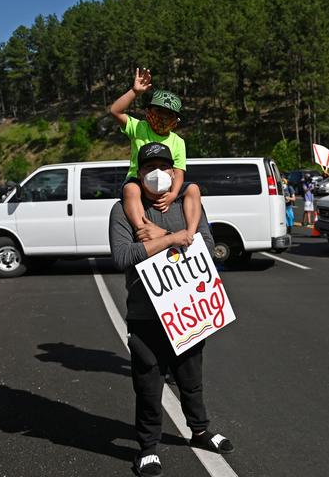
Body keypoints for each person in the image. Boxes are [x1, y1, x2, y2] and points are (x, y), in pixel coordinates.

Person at [109, 142, 234, 477]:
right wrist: (169, 242)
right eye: (150, 168)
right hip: (145, 315)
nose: (158, 174)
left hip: (187, 310)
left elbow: (207, 245)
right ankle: (148, 448)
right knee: (149, 385)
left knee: (191, 380)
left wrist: (162, 236)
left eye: (164, 167)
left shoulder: (188, 206)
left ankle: (201, 429)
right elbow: (122, 256)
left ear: (174, 171)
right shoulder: (124, 209)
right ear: (139, 173)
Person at [110, 68, 202, 240]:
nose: (163, 117)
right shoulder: (139, 127)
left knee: (193, 189)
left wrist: (173, 194)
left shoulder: (178, 141)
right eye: (159, 111)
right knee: (130, 189)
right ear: (149, 111)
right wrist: (134, 92)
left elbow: (179, 171)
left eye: (169, 114)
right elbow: (115, 111)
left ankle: (190, 234)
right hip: (139, 180)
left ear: (176, 120)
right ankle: (143, 229)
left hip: (168, 185)